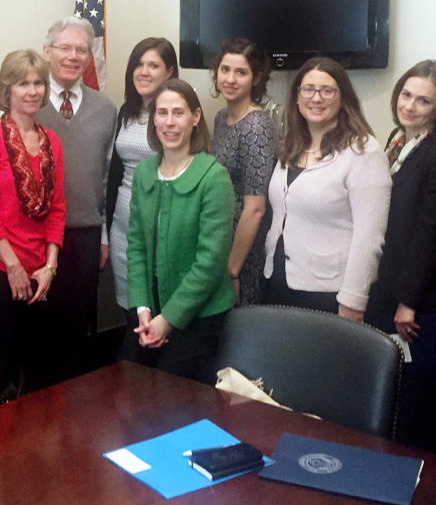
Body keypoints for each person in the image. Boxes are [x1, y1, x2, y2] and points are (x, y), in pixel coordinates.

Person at [366, 59, 436, 452]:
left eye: (423, 101)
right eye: (406, 94)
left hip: (421, 305)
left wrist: (408, 302)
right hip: (391, 292)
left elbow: (433, 234)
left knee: (419, 410)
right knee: (389, 402)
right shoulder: (398, 140)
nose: (409, 105)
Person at [0, 50, 65, 406]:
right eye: (23, 82)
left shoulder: (51, 141)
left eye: (38, 82)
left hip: (40, 272)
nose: (32, 90)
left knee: (37, 369)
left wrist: (50, 267)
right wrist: (13, 266)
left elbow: (57, 209)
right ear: (7, 88)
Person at [122, 78, 235, 382]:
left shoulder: (214, 177)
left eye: (178, 113)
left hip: (200, 316)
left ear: (195, 118)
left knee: (168, 391)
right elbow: (136, 246)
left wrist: (167, 321)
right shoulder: (146, 172)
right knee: (127, 382)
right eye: (162, 113)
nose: (169, 123)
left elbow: (210, 263)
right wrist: (142, 309)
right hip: (151, 308)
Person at [263, 57, 391, 320]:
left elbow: (369, 238)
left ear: (343, 98)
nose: (316, 97)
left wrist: (353, 301)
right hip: (278, 281)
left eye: (327, 90)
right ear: (297, 98)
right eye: (307, 89)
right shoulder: (291, 145)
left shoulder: (363, 151)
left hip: (329, 293)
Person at [36, 16, 116, 382]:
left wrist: (102, 235)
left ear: (90, 57)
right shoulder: (28, 101)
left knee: (76, 328)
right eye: (64, 47)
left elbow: (104, 178)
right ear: (47, 51)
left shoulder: (105, 109)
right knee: (37, 327)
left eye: (81, 49)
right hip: (35, 237)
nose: (73, 56)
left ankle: (71, 415)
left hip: (85, 237)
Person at [106, 37, 177, 310]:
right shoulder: (126, 112)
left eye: (153, 65)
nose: (144, 71)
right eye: (139, 64)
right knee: (130, 311)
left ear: (169, 72)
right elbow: (114, 176)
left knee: (159, 312)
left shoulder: (174, 116)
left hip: (161, 233)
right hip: (122, 230)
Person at [208, 38, 278, 306]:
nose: (230, 79)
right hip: (223, 234)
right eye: (225, 70)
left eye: (241, 72)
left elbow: (256, 208)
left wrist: (233, 269)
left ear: (256, 78)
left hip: (244, 249)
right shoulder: (221, 118)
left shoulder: (256, 126)